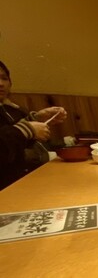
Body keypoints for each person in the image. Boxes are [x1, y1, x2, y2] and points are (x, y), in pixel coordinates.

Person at [0, 60, 67, 190]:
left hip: (25, 180)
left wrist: (37, 118)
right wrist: (27, 129)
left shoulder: (13, 109)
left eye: (4, 78)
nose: (1, 83)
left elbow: (17, 140)